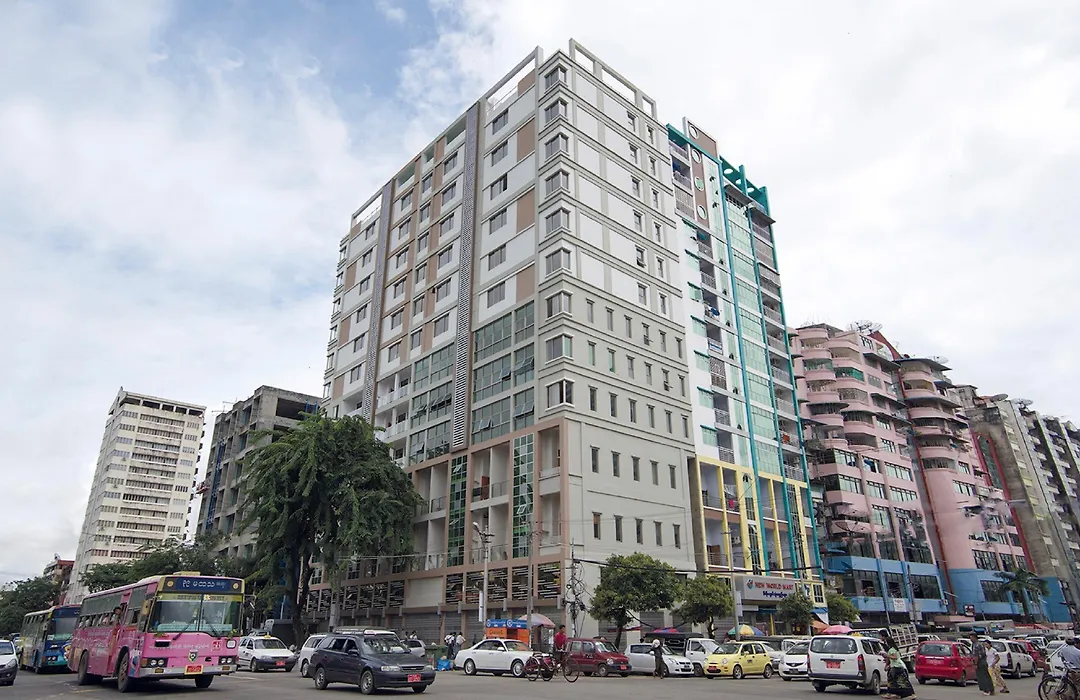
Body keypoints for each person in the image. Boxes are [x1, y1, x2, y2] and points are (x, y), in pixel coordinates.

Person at [878, 632, 914, 699]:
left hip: (895, 667)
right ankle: (898, 694)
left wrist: (887, 656)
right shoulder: (895, 649)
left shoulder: (891, 650)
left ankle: (894, 693)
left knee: (893, 681)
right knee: (899, 681)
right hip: (897, 666)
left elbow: (894, 657)